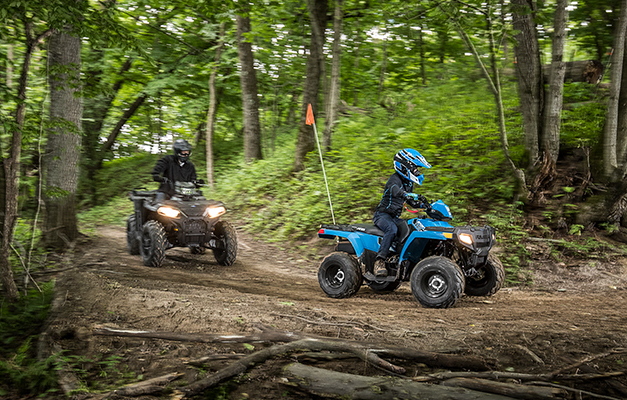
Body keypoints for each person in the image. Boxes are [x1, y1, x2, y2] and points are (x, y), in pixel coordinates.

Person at [372, 149, 431, 277]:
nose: (417, 171)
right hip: (382, 215)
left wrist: (425, 206)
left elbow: (412, 203)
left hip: (395, 217)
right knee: (391, 230)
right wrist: (406, 195)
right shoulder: (394, 179)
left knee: (410, 229)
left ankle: (398, 260)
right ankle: (380, 261)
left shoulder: (408, 183)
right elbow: (395, 190)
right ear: (405, 166)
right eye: (415, 168)